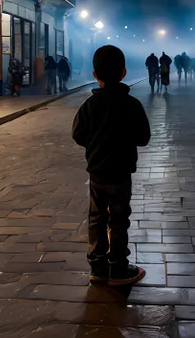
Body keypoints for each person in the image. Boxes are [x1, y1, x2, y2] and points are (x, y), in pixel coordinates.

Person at [72, 45, 151, 286]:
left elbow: (77, 134)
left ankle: (97, 267)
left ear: (95, 75)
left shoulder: (89, 105)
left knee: (96, 216)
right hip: (121, 172)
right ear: (124, 72)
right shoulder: (132, 104)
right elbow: (143, 137)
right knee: (118, 218)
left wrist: (94, 146)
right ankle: (118, 267)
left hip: (97, 172)